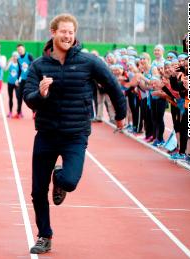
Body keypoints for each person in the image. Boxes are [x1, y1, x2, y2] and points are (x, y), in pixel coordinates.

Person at [23, 13, 126, 254]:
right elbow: (28, 98)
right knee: (38, 190)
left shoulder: (88, 62)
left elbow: (112, 84)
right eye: (63, 32)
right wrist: (40, 94)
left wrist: (120, 116)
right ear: (53, 33)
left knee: (69, 181)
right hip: (46, 134)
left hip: (75, 135)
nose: (68, 36)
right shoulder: (39, 65)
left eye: (71, 32)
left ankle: (60, 179)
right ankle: (44, 236)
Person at [15, 43, 34, 119]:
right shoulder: (18, 59)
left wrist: (28, 66)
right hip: (22, 80)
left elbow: (34, 65)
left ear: (24, 49)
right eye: (18, 50)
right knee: (19, 96)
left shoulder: (29, 56)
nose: (20, 50)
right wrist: (17, 79)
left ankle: (34, 112)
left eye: (21, 49)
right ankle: (18, 113)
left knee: (31, 97)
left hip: (29, 80)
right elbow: (19, 70)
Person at [6, 51, 20, 118]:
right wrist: (9, 61)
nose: (15, 57)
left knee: (18, 97)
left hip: (17, 83)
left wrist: (18, 80)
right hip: (10, 82)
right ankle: (10, 112)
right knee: (10, 97)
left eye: (16, 56)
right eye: (14, 56)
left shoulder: (19, 64)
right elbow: (5, 69)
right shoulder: (10, 63)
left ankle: (19, 111)